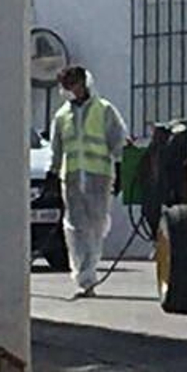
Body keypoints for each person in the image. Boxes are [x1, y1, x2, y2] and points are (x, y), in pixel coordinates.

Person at [47, 66, 128, 299]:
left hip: (98, 177)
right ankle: (85, 278)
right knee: (75, 228)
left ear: (84, 84)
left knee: (96, 226)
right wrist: (53, 175)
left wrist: (120, 170)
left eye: (71, 85)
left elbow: (118, 141)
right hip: (72, 179)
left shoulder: (104, 110)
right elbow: (57, 149)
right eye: (65, 87)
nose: (68, 91)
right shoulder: (62, 116)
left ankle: (89, 271)